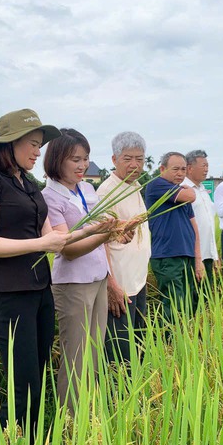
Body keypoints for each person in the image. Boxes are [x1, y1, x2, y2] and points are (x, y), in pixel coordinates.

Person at [0, 109, 71, 445]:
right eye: (31, 144)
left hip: (40, 291)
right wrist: (44, 242)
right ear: (9, 144)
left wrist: (95, 229)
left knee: (37, 375)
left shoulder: (28, 184)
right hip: (11, 296)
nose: (37, 152)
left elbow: (51, 235)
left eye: (40, 145)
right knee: (21, 382)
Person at [41, 128, 121, 412]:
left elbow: (102, 228)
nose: (82, 165)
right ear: (56, 160)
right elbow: (69, 248)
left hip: (98, 277)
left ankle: (92, 415)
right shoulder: (49, 198)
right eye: (75, 159)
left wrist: (117, 230)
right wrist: (107, 234)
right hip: (72, 285)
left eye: (85, 158)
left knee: (95, 352)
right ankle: (72, 425)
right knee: (75, 355)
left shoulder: (87, 189)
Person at [96, 131, 151, 364]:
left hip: (137, 282)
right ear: (114, 160)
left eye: (139, 159)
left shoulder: (135, 187)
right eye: (128, 158)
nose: (134, 164)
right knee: (121, 353)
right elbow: (100, 244)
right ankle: (119, 398)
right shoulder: (106, 192)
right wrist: (111, 285)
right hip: (120, 287)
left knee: (138, 345)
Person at [146, 152, 204, 327]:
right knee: (174, 305)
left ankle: (186, 345)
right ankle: (170, 345)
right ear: (162, 169)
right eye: (175, 169)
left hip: (186, 255)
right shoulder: (157, 185)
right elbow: (191, 196)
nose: (180, 173)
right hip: (167, 256)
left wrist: (198, 259)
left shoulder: (179, 190)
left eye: (183, 169)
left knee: (188, 301)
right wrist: (190, 190)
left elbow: (194, 227)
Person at [182, 150, 220, 287]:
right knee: (193, 298)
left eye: (207, 165)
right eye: (203, 166)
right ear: (190, 168)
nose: (206, 169)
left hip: (207, 255)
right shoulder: (183, 190)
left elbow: (209, 224)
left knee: (205, 297)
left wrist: (214, 255)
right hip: (192, 256)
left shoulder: (203, 190)